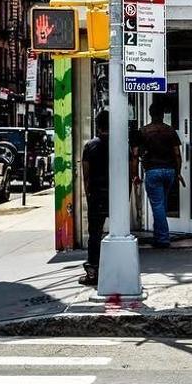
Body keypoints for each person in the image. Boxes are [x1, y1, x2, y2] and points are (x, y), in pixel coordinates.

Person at [132, 104, 182, 248]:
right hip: (169, 171)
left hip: (153, 171)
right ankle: (158, 235)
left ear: (150, 114)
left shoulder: (143, 131)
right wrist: (178, 172)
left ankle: (162, 239)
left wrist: (134, 174)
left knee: (158, 205)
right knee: (161, 203)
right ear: (162, 114)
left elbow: (135, 155)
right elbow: (177, 154)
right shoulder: (170, 131)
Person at [79, 109, 109, 286]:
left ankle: (93, 272)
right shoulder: (120, 143)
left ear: (97, 126)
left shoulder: (90, 146)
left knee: (95, 234)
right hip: (115, 194)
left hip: (97, 194)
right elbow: (128, 170)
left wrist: (88, 194)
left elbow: (86, 175)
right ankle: (115, 269)